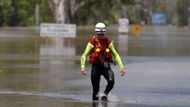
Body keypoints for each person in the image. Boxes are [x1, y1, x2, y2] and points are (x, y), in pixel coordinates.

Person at [80, 22, 125, 101]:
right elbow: (84, 55)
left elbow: (116, 55)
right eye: (99, 34)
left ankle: (105, 94)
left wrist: (122, 67)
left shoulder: (108, 42)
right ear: (96, 33)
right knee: (95, 93)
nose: (101, 36)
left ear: (104, 32)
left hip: (106, 67)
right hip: (95, 68)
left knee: (111, 82)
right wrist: (82, 67)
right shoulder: (92, 42)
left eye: (102, 34)